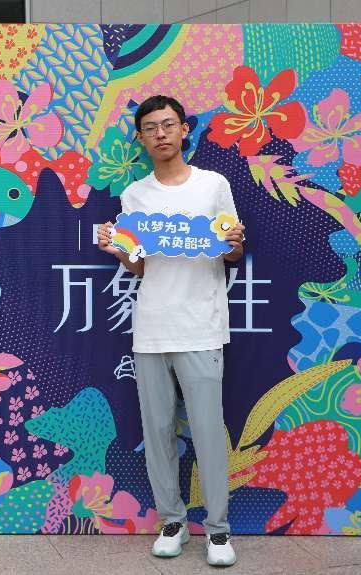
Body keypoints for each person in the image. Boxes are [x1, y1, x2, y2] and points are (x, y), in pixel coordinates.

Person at [96, 95, 244, 567]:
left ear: (184, 129)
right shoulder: (135, 196)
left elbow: (233, 253)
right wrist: (118, 249)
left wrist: (233, 243)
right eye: (150, 128)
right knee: (157, 431)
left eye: (167, 125)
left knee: (207, 431)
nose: (160, 134)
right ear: (140, 138)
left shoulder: (213, 185)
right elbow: (140, 267)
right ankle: (171, 522)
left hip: (201, 327)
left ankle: (218, 530)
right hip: (152, 329)